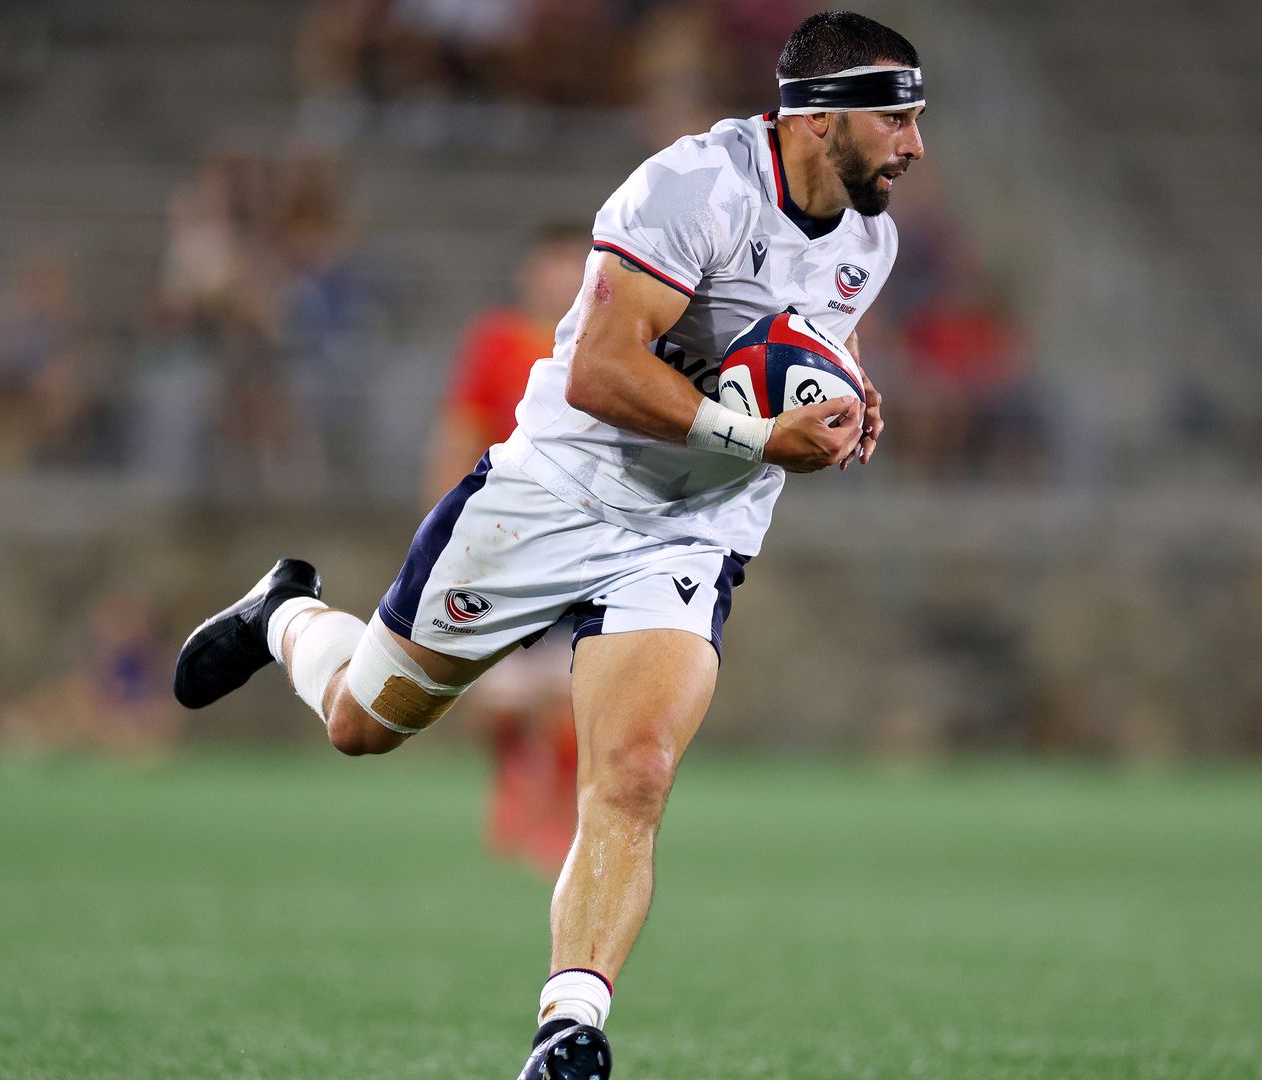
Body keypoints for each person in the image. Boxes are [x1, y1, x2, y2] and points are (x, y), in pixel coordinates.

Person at [172, 12, 920, 1076]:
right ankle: (283, 614)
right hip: (559, 488)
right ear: (822, 117)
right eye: (896, 118)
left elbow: (793, 350)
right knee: (363, 723)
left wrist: (846, 401)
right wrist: (758, 432)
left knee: (636, 771)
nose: (914, 144)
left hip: (692, 526)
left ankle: (570, 1031)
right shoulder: (690, 189)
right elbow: (600, 373)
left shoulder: (871, 237)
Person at [422, 224, 589, 879]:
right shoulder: (496, 341)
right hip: (501, 538)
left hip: (579, 541)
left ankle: (556, 815)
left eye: (572, 269)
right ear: (530, 274)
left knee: (566, 689)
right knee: (496, 700)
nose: (559, 282)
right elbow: (458, 430)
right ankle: (513, 778)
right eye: (550, 268)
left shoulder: (608, 343)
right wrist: (443, 525)